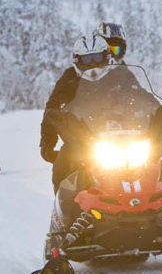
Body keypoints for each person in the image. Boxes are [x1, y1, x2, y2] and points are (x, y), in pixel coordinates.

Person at [42, 34, 115, 189]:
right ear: (77, 61)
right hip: (79, 140)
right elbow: (52, 109)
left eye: (97, 58)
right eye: (87, 60)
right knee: (61, 171)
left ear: (106, 57)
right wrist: (47, 144)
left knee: (155, 164)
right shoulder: (69, 79)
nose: (93, 64)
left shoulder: (119, 77)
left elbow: (140, 96)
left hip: (121, 136)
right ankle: (65, 209)